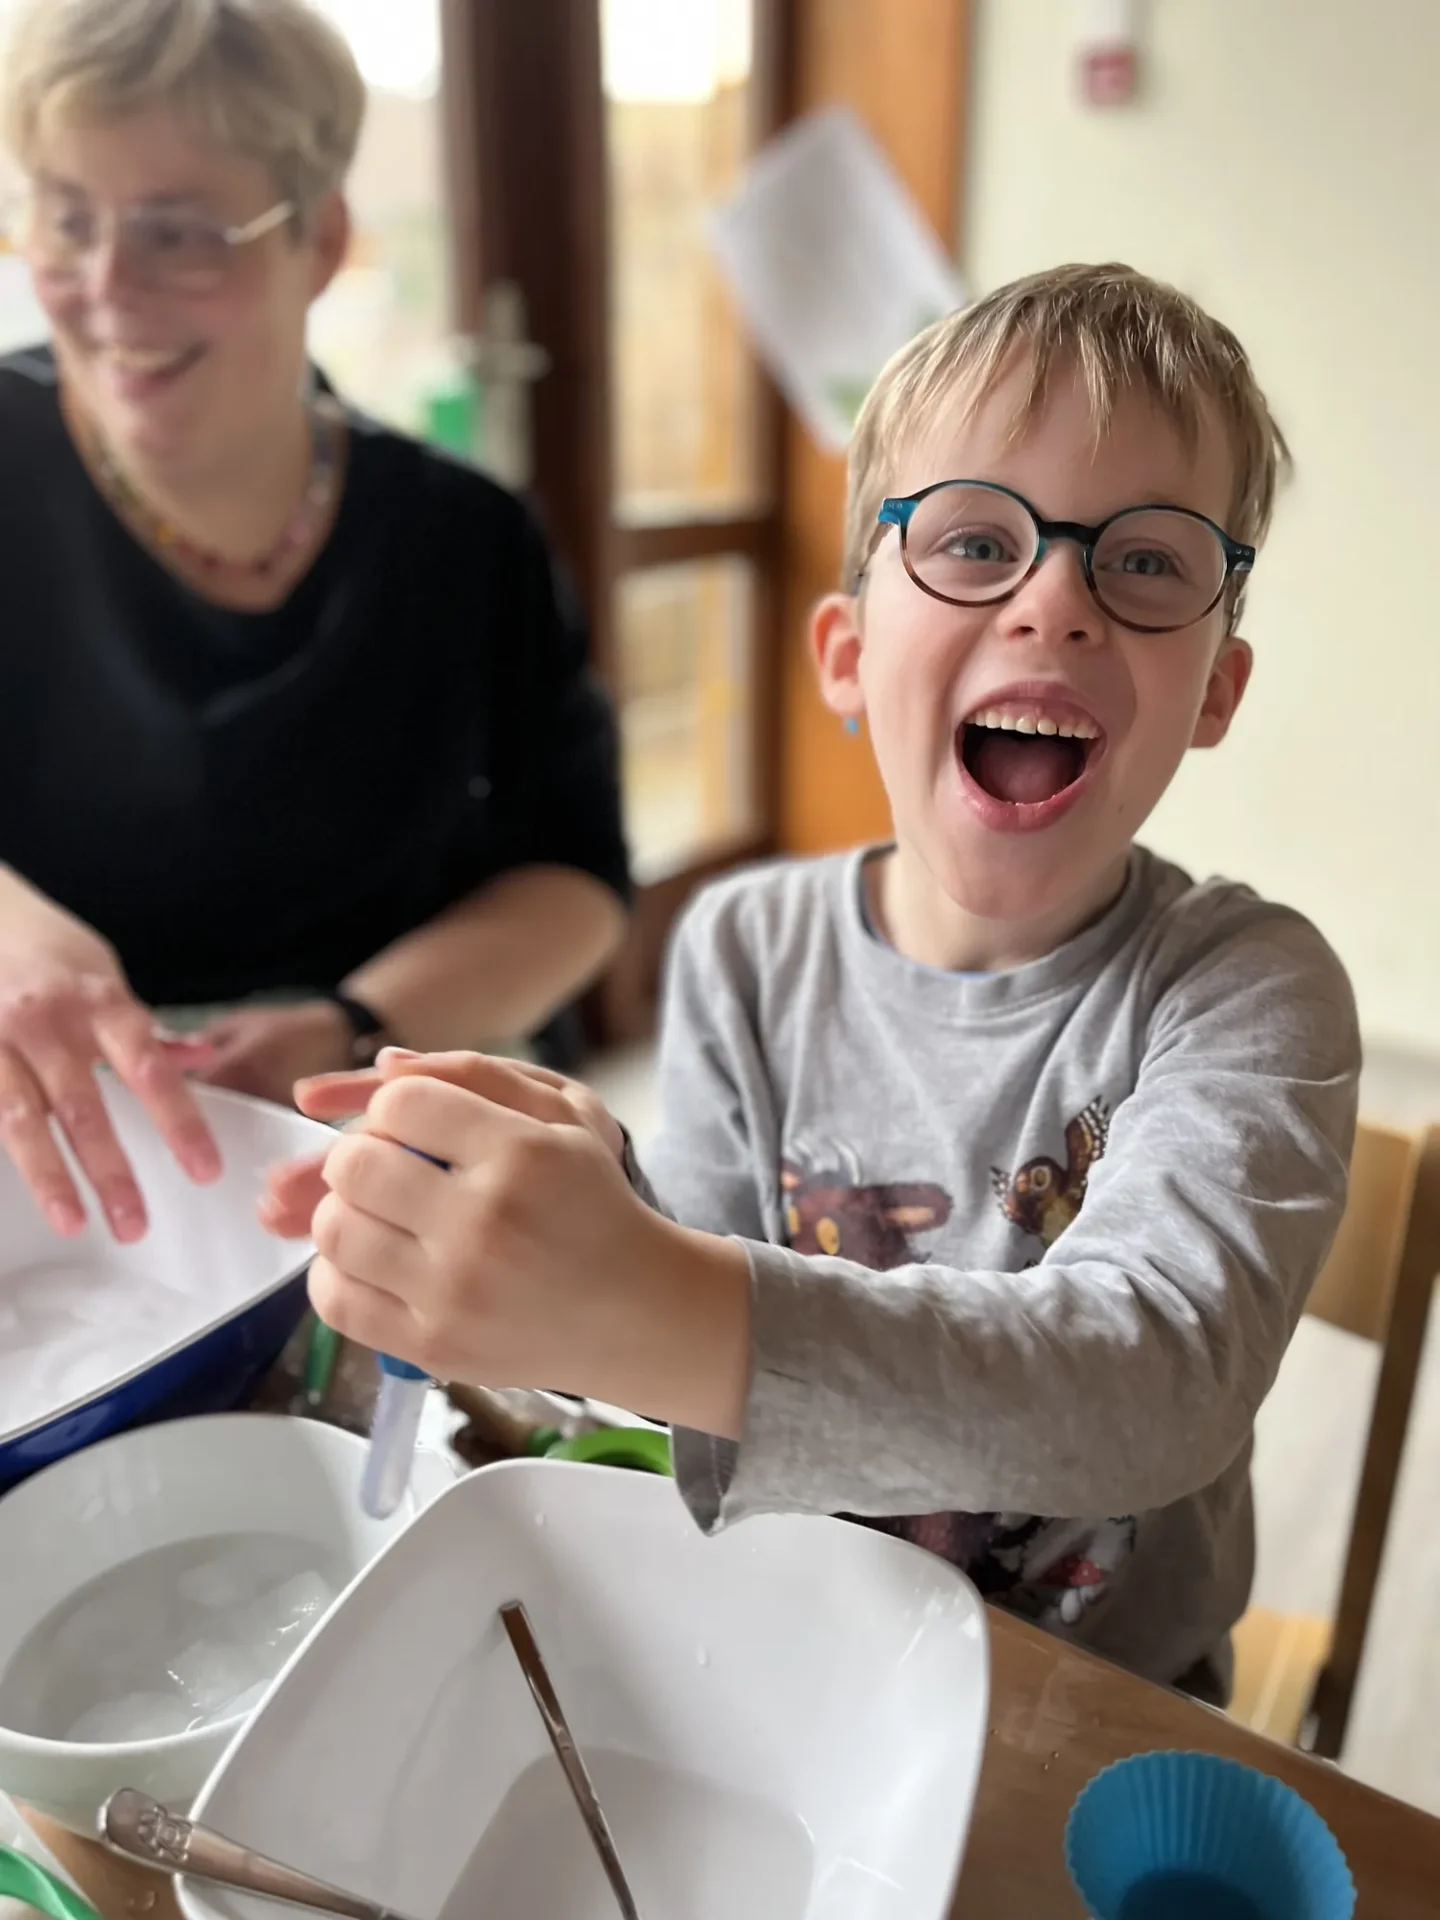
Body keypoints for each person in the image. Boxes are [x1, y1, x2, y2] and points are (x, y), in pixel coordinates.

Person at [263, 264, 1360, 1700]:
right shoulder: (743, 947)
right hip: (799, 1638)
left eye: (1146, 561)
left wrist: (638, 1285)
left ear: (1216, 688)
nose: (1056, 601)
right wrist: (594, 1210)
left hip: (1098, 1699)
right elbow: (690, 1365)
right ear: (846, 656)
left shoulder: (1249, 988)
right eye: (974, 539)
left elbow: (1160, 1382)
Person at [0, 0, 629, 1247]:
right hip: (46, 1141)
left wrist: (352, 1021)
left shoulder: (464, 540)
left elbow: (578, 880)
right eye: (67, 220)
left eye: (178, 232)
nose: (107, 289)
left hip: (357, 1132)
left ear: (320, 239)